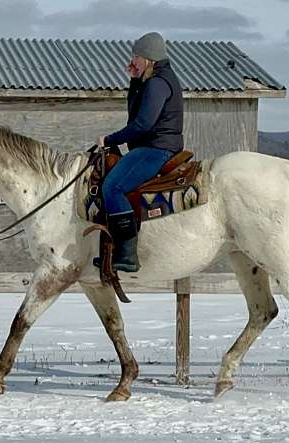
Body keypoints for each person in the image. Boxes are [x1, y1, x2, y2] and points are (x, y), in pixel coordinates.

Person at [97, 31, 184, 273]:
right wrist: (136, 80)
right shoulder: (152, 79)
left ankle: (126, 253)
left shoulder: (157, 83)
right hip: (155, 145)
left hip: (156, 149)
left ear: (149, 58)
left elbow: (142, 124)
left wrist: (110, 139)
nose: (131, 61)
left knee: (112, 187)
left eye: (136, 56)